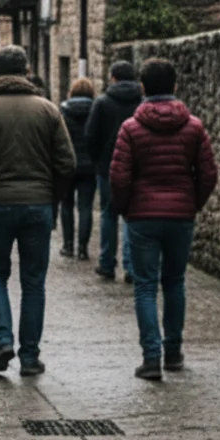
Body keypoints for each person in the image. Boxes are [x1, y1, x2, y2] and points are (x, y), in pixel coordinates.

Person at [0, 45, 75, 376]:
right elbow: (67, 162)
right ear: (27, 71)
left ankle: (2, 341)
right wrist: (52, 198)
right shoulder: (48, 111)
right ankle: (29, 357)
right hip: (38, 203)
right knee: (34, 281)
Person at [109, 58, 218, 381]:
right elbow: (209, 174)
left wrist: (126, 208)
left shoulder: (131, 128)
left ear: (143, 88)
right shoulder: (194, 127)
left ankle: (151, 358)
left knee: (145, 286)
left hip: (142, 217)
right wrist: (191, 203)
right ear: (174, 86)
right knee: (174, 282)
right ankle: (173, 353)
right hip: (180, 215)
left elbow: (119, 177)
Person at [86, 61, 143, 283]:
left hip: (107, 167)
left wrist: (98, 159)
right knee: (131, 215)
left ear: (113, 78)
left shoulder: (102, 102)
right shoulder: (141, 102)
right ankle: (131, 266)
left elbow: (91, 136)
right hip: (135, 167)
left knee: (109, 213)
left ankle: (108, 263)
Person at [59, 78, 97, 259]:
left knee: (66, 205)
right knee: (85, 207)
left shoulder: (63, 112)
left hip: (68, 165)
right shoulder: (96, 110)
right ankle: (83, 248)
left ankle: (68, 245)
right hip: (89, 166)